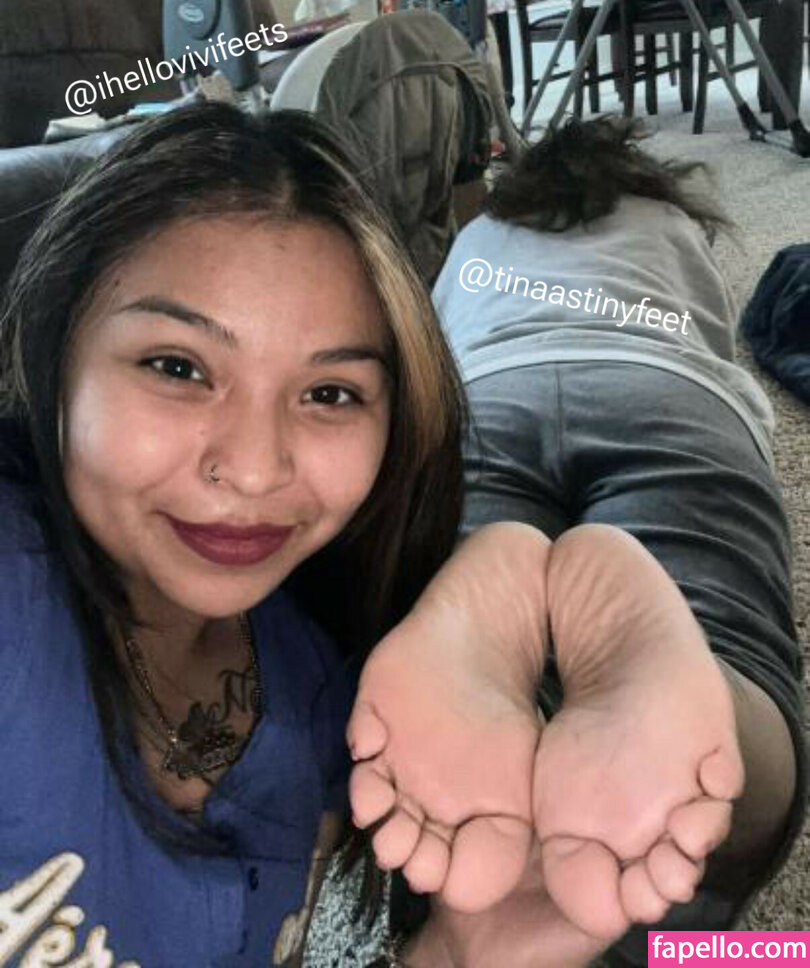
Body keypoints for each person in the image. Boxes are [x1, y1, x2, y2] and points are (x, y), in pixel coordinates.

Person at [0, 100, 472, 967]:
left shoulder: (331, 696)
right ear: (53, 357)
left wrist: (468, 955)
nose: (255, 470)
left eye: (330, 393)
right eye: (178, 367)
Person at [346, 117, 806, 967]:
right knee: (724, 642)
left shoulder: (479, 237)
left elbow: (431, 361)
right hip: (668, 393)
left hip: (488, 396)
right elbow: (713, 342)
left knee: (445, 564)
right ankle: (698, 689)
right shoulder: (668, 226)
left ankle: (493, 628)